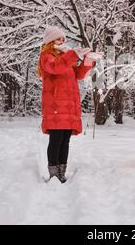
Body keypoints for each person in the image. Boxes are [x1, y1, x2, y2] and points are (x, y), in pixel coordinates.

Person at [37, 26, 102, 183]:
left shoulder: (65, 57)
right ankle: (53, 173)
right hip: (56, 106)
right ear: (50, 41)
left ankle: (61, 172)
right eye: (59, 39)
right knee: (56, 139)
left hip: (69, 105)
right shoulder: (47, 56)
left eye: (63, 39)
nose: (62, 41)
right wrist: (73, 55)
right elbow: (56, 68)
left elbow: (79, 74)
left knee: (65, 140)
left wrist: (88, 60)